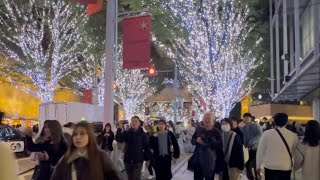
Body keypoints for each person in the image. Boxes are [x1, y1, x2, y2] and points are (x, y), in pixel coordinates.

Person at [51, 121, 121, 180]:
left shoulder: (100, 155)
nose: (78, 137)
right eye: (75, 134)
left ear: (89, 136)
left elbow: (115, 176)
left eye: (82, 133)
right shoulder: (67, 157)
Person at [256, 113, 298, 180]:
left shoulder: (266, 134)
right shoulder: (293, 135)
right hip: (285, 166)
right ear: (286, 122)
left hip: (269, 166)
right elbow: (295, 153)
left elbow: (260, 151)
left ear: (274, 121)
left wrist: (258, 166)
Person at [190, 112, 224, 180]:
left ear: (212, 120)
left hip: (210, 161)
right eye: (205, 118)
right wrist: (196, 140)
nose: (207, 120)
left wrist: (207, 143)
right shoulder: (199, 129)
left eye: (209, 118)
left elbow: (219, 146)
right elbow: (192, 141)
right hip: (198, 159)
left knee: (209, 178)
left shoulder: (217, 131)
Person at [241, 113, 262, 180]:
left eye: (248, 117)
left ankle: (257, 177)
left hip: (255, 148)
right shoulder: (242, 127)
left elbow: (259, 135)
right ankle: (250, 178)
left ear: (251, 118)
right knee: (247, 164)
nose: (246, 118)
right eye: (245, 117)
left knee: (256, 164)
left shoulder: (256, 125)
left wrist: (251, 143)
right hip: (246, 148)